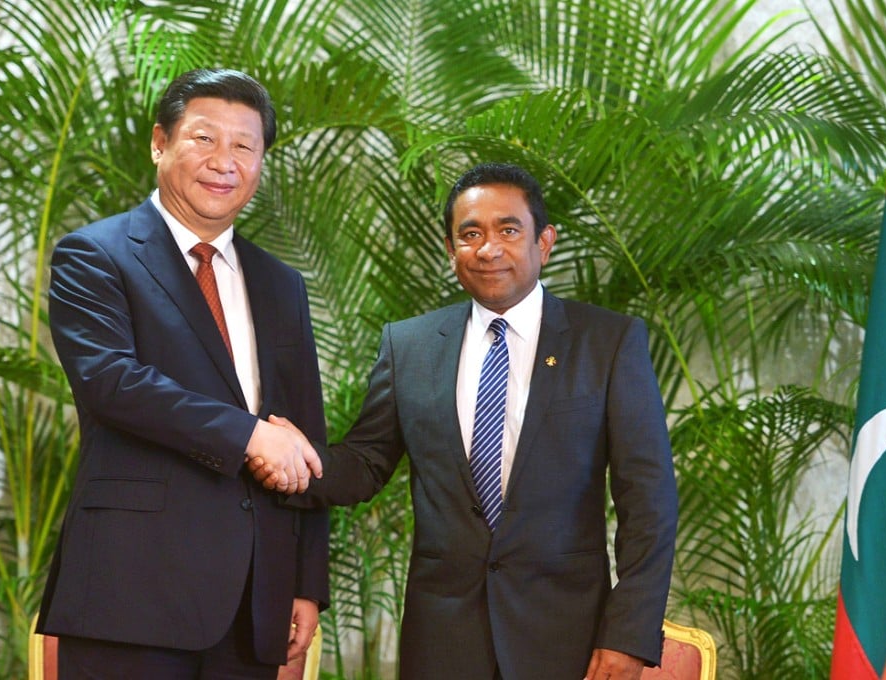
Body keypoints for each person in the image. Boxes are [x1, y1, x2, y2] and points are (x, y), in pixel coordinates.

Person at [253, 162, 678, 679]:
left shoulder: (608, 342)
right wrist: (296, 458)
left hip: (568, 637)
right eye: (470, 234)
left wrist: (628, 635)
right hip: (443, 638)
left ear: (543, 242)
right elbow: (366, 463)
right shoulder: (408, 345)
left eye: (508, 230)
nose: (488, 248)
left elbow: (648, 503)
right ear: (452, 251)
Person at [38, 67, 329, 679]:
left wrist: (306, 582)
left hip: (255, 603)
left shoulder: (282, 285)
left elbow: (304, 434)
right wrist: (250, 435)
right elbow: (113, 382)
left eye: (245, 146)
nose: (224, 160)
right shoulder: (96, 255)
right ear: (159, 142)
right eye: (204, 138)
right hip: (131, 594)